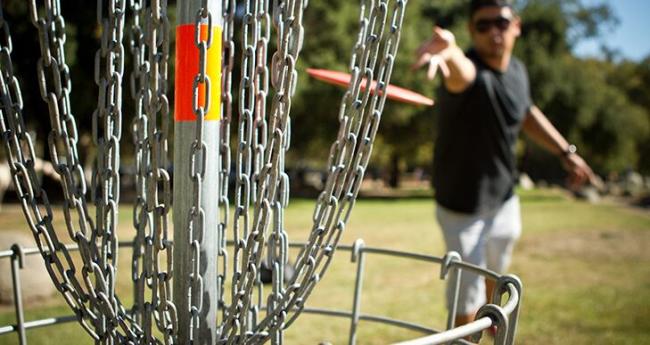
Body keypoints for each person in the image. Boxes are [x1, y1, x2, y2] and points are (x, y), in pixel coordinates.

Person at [412, 0, 598, 328]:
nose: (493, 32)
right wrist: (450, 51)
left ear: (516, 26)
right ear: (472, 31)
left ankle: (491, 321)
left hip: (503, 199)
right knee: (466, 296)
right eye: (482, 26)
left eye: (500, 22)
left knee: (495, 279)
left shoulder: (517, 72)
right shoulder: (470, 72)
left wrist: (566, 152)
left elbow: (525, 112)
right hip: (461, 208)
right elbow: (460, 73)